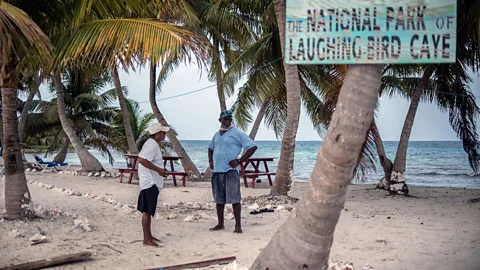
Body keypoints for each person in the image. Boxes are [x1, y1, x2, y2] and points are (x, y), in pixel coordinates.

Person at [208, 110, 257, 233]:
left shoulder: (237, 133)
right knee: (219, 199)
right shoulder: (216, 135)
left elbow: (252, 147)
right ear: (220, 120)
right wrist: (210, 162)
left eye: (229, 118)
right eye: (225, 118)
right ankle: (220, 224)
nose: (228, 120)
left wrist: (240, 161)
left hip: (230, 171)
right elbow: (210, 148)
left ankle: (238, 226)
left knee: (234, 199)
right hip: (217, 171)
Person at [137, 123, 169, 247]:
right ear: (157, 134)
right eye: (163, 133)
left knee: (149, 211)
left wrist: (159, 171)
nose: (164, 135)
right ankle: (146, 239)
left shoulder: (152, 144)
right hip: (150, 182)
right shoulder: (152, 145)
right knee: (147, 211)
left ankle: (149, 236)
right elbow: (142, 160)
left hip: (151, 181)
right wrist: (159, 170)